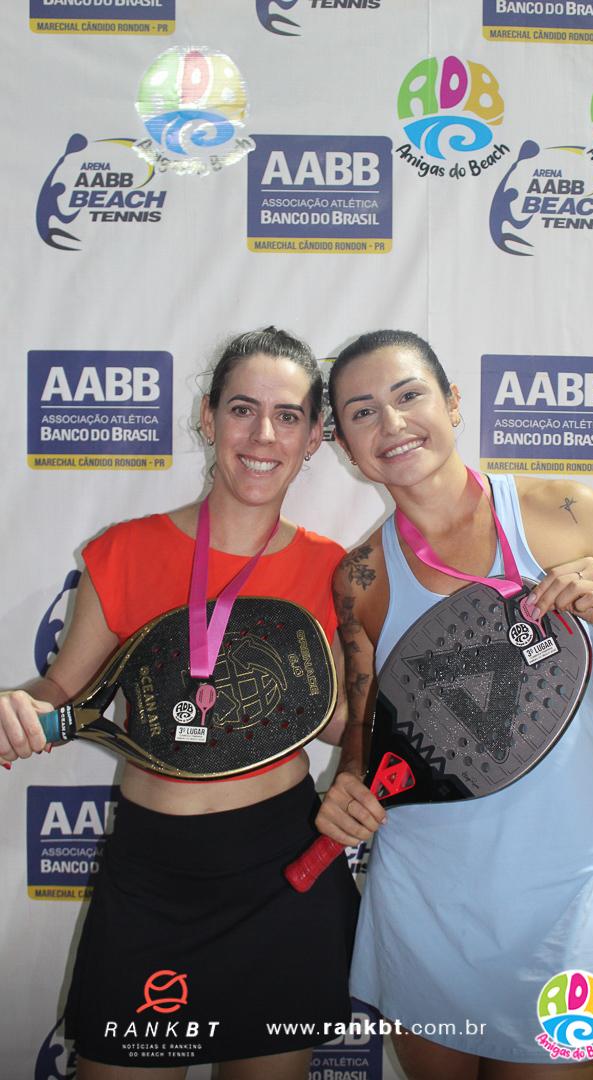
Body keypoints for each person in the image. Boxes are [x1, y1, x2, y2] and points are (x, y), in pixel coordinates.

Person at [316, 330, 593, 1080]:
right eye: (362, 412)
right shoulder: (361, 579)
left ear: (453, 402)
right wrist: (348, 783)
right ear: (346, 446)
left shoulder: (564, 511)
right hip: (423, 897)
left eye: (409, 395)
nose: (392, 424)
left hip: (565, 897)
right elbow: (366, 731)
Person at [0, 328, 359, 1080]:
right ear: (207, 417)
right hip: (151, 875)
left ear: (313, 438)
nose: (263, 436)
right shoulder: (124, 550)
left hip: (284, 872)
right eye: (242, 409)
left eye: (288, 416)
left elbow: (335, 725)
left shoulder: (334, 570)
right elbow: (61, 690)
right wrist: (16, 710)